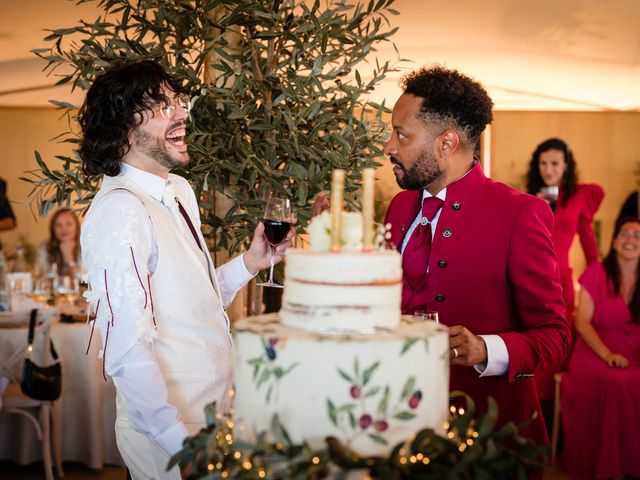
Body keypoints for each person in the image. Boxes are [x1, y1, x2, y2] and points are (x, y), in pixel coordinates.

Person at [78, 61, 291, 480]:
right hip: (172, 435)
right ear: (122, 129)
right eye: (160, 105)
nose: (181, 113)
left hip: (214, 417)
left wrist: (251, 263)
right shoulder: (120, 212)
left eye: (178, 101)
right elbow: (126, 351)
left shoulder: (177, 190)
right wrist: (179, 445)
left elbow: (194, 304)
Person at [382, 65, 569, 452]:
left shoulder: (521, 213)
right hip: (400, 422)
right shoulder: (399, 208)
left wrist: (487, 349)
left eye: (401, 135)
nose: (389, 147)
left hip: (489, 437)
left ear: (446, 143)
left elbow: (555, 336)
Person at [524, 138, 604, 420]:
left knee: (560, 343)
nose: (548, 169)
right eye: (543, 163)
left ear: (566, 166)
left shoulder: (581, 195)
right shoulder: (530, 196)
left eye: (554, 163)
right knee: (535, 340)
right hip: (530, 278)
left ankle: (560, 417)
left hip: (562, 282)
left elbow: (587, 237)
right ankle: (534, 414)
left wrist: (599, 274)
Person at [560, 218, 640, 479]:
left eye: (637, 235)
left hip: (634, 352)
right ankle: (608, 466)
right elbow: (581, 322)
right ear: (615, 242)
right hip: (595, 350)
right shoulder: (596, 272)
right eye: (624, 234)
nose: (630, 239)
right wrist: (608, 354)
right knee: (616, 382)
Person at [35, 208, 82, 278]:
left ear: (77, 227)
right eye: (58, 225)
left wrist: (68, 256)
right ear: (53, 229)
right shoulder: (45, 247)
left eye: (68, 224)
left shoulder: (85, 247)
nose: (64, 229)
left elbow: (82, 279)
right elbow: (40, 275)